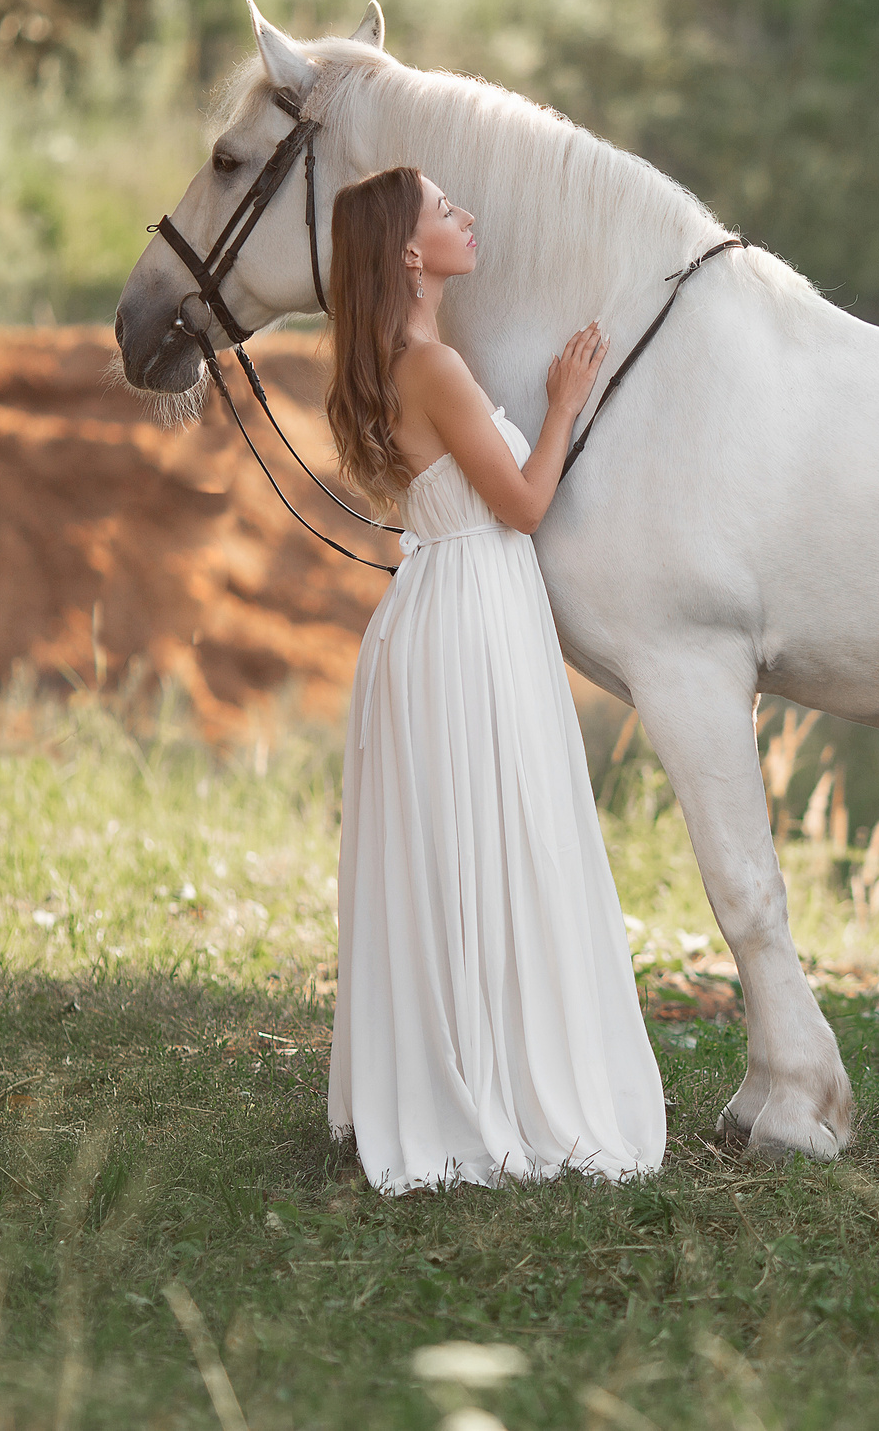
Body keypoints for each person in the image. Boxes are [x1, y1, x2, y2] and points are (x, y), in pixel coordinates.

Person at [319, 164, 666, 1192]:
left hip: (442, 608)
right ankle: (501, 1082)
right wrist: (563, 405)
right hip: (471, 611)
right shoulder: (432, 365)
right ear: (410, 252)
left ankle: (465, 1067)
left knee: (460, 846)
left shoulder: (396, 361)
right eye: (444, 210)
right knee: (499, 833)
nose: (466, 216)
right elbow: (521, 505)